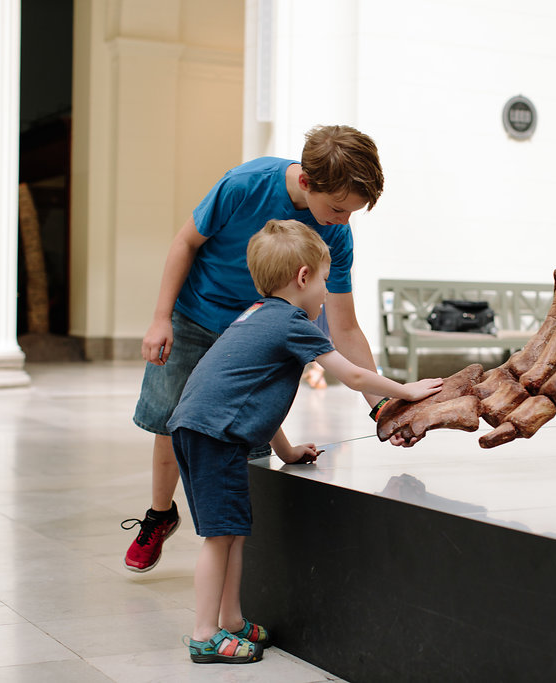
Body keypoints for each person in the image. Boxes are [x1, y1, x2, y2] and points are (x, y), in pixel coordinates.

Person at [168, 220, 443, 663]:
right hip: (214, 437)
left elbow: (249, 398)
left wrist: (287, 451)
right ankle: (205, 634)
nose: (324, 294)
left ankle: (233, 622)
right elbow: (351, 374)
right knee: (220, 537)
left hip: (202, 429)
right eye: (324, 281)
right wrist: (406, 390)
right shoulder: (293, 323)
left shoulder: (255, 315)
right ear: (302, 277)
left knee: (232, 533)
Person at [122, 125, 387, 573]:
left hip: (258, 333)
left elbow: (344, 326)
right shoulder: (245, 184)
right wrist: (161, 317)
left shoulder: (336, 235)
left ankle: (243, 551)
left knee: (247, 430)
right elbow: (186, 242)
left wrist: (380, 407)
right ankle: (160, 514)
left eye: (352, 212)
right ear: (306, 181)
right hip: (196, 315)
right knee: (169, 420)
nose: (343, 220)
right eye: (338, 208)